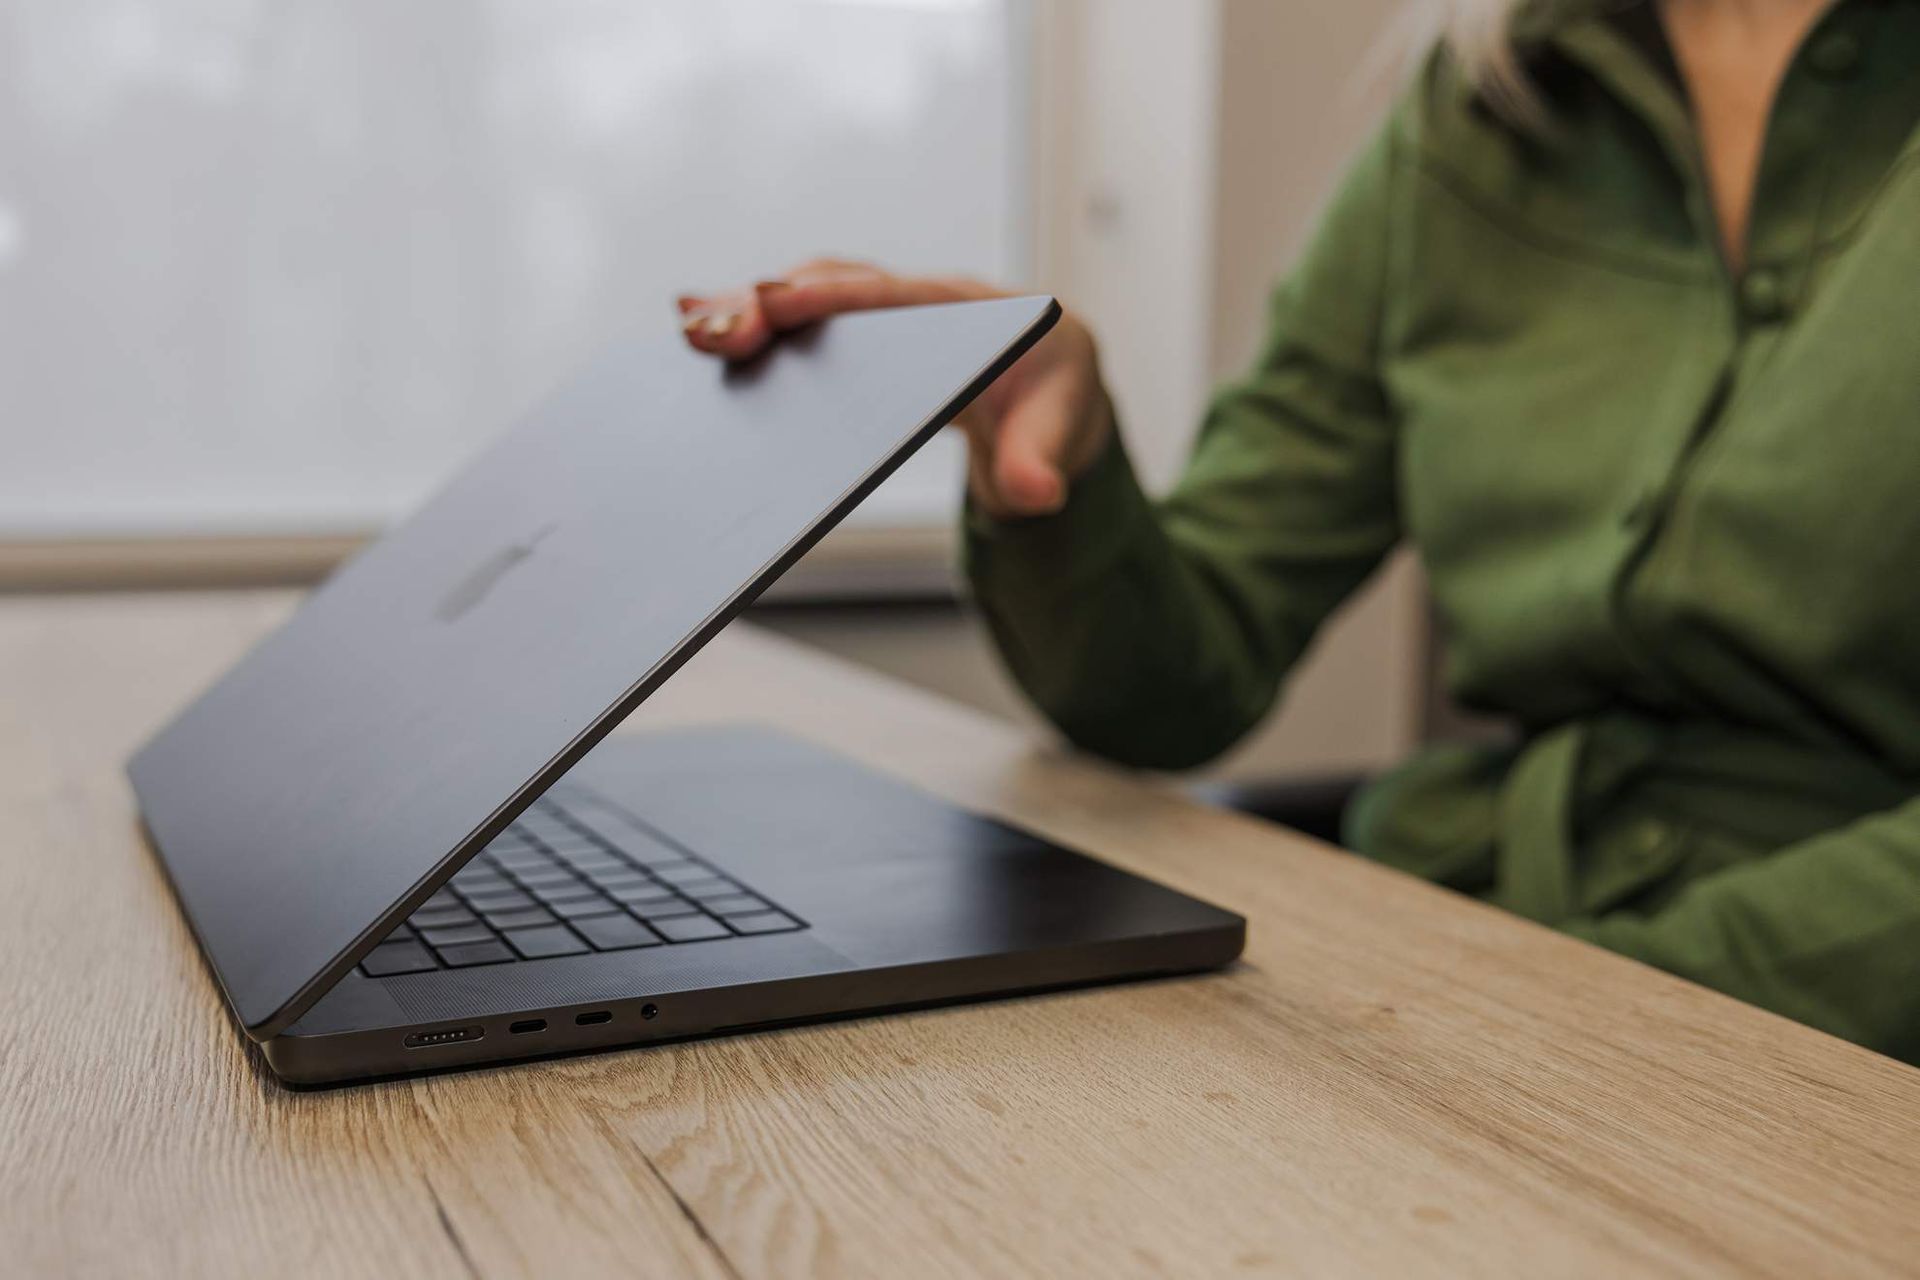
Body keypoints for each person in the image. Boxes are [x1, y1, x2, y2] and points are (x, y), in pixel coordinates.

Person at [676, 0, 1920, 1063]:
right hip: (1467, 950)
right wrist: (1057, 461)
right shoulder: (1473, 115)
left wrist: (1575, 1015)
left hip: (1799, 1042)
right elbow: (1180, 676)